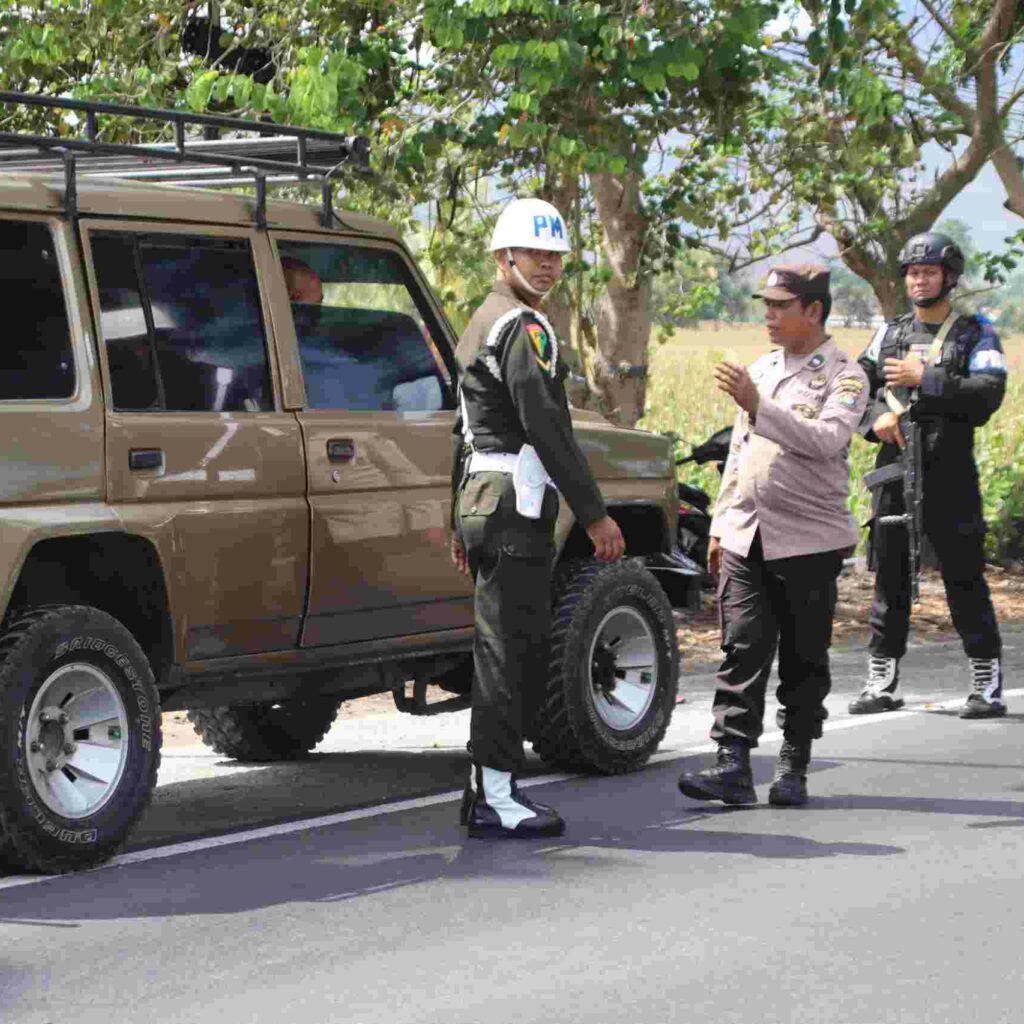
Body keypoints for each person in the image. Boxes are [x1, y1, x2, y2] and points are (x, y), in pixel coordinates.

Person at [450, 197, 625, 839]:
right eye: (535, 254)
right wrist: (596, 515)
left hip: (482, 498)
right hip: (514, 502)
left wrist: (456, 522)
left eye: (555, 256)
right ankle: (496, 794)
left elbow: (461, 428)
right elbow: (548, 428)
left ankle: (486, 787)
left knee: (498, 648)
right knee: (511, 653)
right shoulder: (524, 328)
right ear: (505, 258)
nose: (547, 266)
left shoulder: (480, 320)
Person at [677, 265, 868, 808]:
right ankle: (732, 766)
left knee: (804, 658)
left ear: (813, 310)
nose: (769, 315)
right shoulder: (762, 368)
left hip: (807, 540)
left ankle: (794, 764)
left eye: (781, 305)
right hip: (746, 533)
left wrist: (759, 405)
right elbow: (739, 453)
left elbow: (827, 440)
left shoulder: (846, 376)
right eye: (767, 304)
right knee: (741, 648)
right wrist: (719, 524)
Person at [848, 232, 1008, 719]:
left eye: (929, 272)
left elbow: (988, 393)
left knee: (963, 576)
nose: (919, 280)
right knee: (889, 574)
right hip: (896, 470)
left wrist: (926, 379)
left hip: (950, 470)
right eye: (913, 273)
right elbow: (854, 386)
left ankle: (986, 679)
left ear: (949, 278)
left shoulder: (974, 333)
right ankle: (882, 677)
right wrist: (875, 418)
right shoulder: (889, 334)